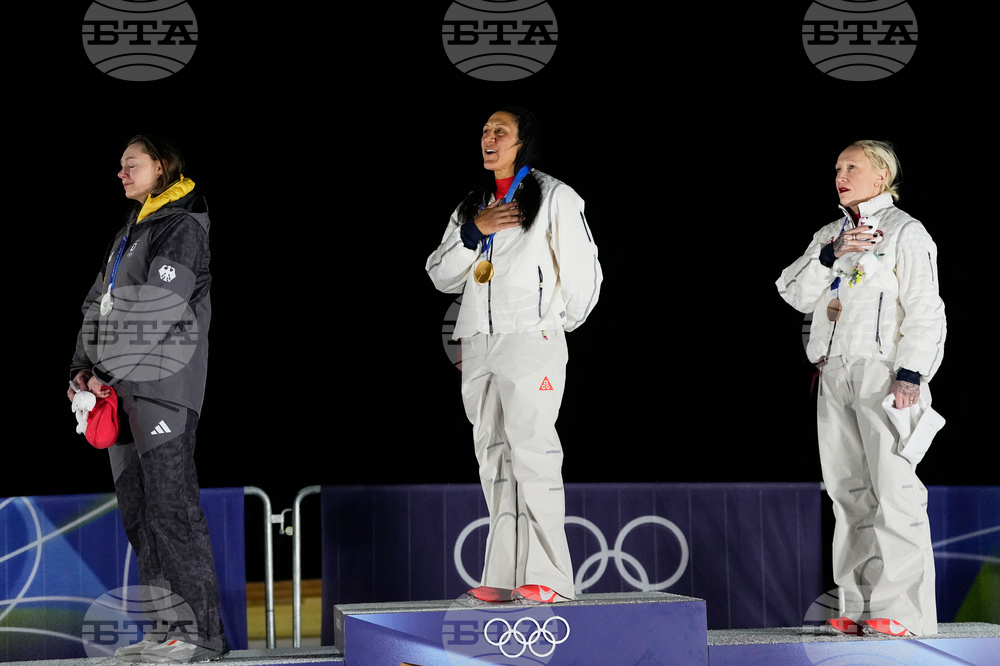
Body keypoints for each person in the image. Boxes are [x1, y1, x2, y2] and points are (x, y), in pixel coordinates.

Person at [426, 107, 602, 604]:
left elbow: (585, 272)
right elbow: (439, 274)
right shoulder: (472, 205)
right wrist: (473, 231)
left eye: (500, 131)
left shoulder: (555, 195)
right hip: (478, 342)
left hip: (530, 340)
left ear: (523, 141)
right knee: (494, 459)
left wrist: (551, 324)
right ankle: (504, 576)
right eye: (485, 130)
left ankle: (552, 578)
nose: (489, 137)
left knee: (533, 453)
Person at [68, 135, 229, 662]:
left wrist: (104, 371)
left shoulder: (182, 225)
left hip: (163, 389)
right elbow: (96, 304)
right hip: (119, 391)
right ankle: (165, 631)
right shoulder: (127, 234)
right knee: (139, 515)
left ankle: (200, 636)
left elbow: (159, 307)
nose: (121, 172)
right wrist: (81, 370)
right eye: (120, 165)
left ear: (161, 167)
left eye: (130, 164)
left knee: (171, 509)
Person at [776, 140, 945, 637]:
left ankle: (904, 612)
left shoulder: (906, 231)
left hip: (884, 373)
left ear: (881, 176)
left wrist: (911, 373)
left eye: (852, 166)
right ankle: (857, 605)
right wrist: (830, 255)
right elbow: (792, 292)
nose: (841, 175)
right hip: (834, 372)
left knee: (894, 489)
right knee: (847, 493)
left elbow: (926, 309)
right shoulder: (830, 234)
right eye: (837, 168)